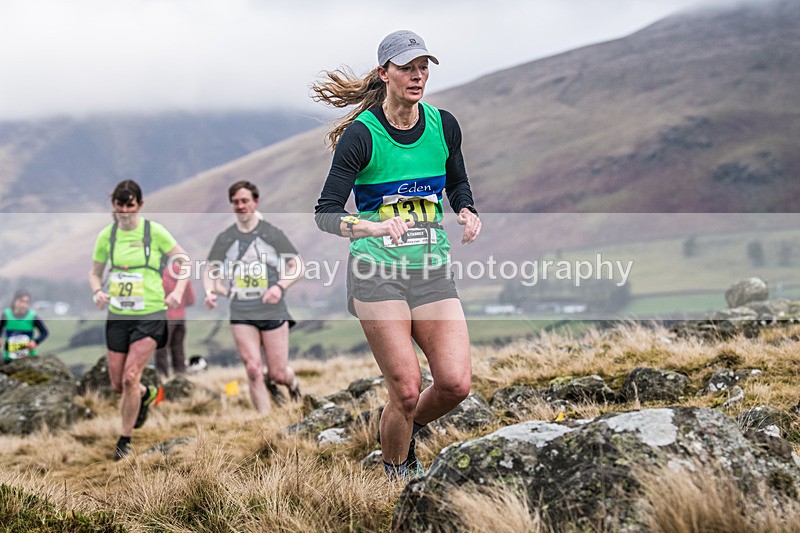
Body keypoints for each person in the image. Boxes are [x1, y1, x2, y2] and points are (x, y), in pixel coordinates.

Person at [313, 30, 481, 480]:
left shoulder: (444, 125)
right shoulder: (361, 137)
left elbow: (456, 181)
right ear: (385, 73)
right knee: (406, 390)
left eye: (424, 66)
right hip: (376, 272)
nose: (418, 75)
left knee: (455, 384)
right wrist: (372, 226)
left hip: (430, 270)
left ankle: (406, 430)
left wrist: (466, 210)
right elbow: (326, 214)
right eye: (408, 67)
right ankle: (395, 476)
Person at [89, 180, 191, 460]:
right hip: (118, 315)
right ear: (114, 205)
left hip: (150, 313)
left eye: (130, 204)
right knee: (118, 385)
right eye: (120, 204)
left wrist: (178, 292)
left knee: (131, 376)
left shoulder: (154, 232)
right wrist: (97, 291)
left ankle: (124, 439)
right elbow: (95, 272)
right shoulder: (107, 237)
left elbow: (184, 261)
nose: (124, 210)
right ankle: (147, 394)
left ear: (140, 205)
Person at [203, 180, 304, 413]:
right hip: (242, 310)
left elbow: (297, 265)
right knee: (253, 369)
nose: (240, 206)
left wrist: (279, 286)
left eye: (245, 201)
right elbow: (210, 269)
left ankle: (292, 384)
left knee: (277, 373)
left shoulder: (271, 233)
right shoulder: (226, 237)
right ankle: (265, 422)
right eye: (236, 202)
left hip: (272, 308)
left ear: (255, 202)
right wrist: (210, 292)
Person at [155, 261, 196, 378]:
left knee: (161, 350)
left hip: (166, 318)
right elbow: (191, 300)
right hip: (181, 318)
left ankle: (162, 377)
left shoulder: (162, 277)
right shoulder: (184, 279)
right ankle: (180, 378)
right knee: (178, 349)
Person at [1, 289, 49, 362]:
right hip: (9, 358)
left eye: (26, 302)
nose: (23, 305)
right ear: (15, 301)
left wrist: (35, 342)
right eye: (21, 301)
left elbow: (45, 332)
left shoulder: (32, 316)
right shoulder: (6, 315)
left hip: (28, 358)